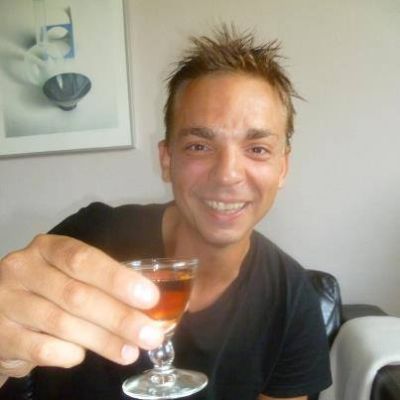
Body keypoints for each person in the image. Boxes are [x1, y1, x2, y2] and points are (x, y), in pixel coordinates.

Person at [0, 26, 331, 399]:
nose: (228, 175)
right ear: (167, 159)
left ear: (282, 168)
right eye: (199, 146)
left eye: (257, 149)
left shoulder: (293, 301)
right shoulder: (88, 240)